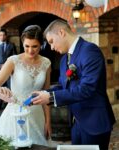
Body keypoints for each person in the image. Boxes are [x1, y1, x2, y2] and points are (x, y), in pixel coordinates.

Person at [32, 19, 115, 150]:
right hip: (76, 123)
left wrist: (52, 97)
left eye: (52, 42)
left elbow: (87, 89)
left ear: (61, 32)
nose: (52, 47)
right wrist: (46, 93)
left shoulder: (89, 50)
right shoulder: (64, 59)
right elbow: (63, 85)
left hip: (94, 122)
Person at [0, 25, 51, 146]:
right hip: (16, 114)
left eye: (35, 46)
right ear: (22, 43)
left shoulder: (46, 63)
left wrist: (48, 121)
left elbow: (46, 94)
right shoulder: (13, 61)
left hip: (38, 114)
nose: (30, 50)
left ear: (41, 45)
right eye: (27, 46)